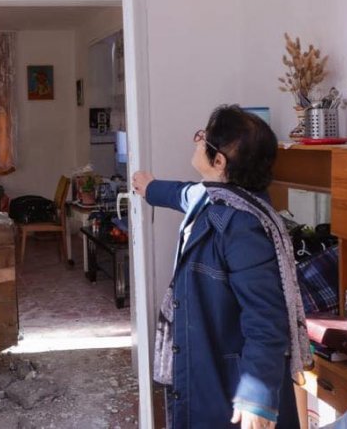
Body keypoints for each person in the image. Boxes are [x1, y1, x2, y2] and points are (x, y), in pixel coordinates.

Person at [132, 105, 311, 428]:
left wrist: (257, 396)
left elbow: (266, 318)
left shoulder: (243, 227)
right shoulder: (217, 196)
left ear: (219, 162)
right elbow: (183, 194)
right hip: (207, 366)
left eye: (203, 138)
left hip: (229, 383)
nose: (197, 141)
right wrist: (150, 188)